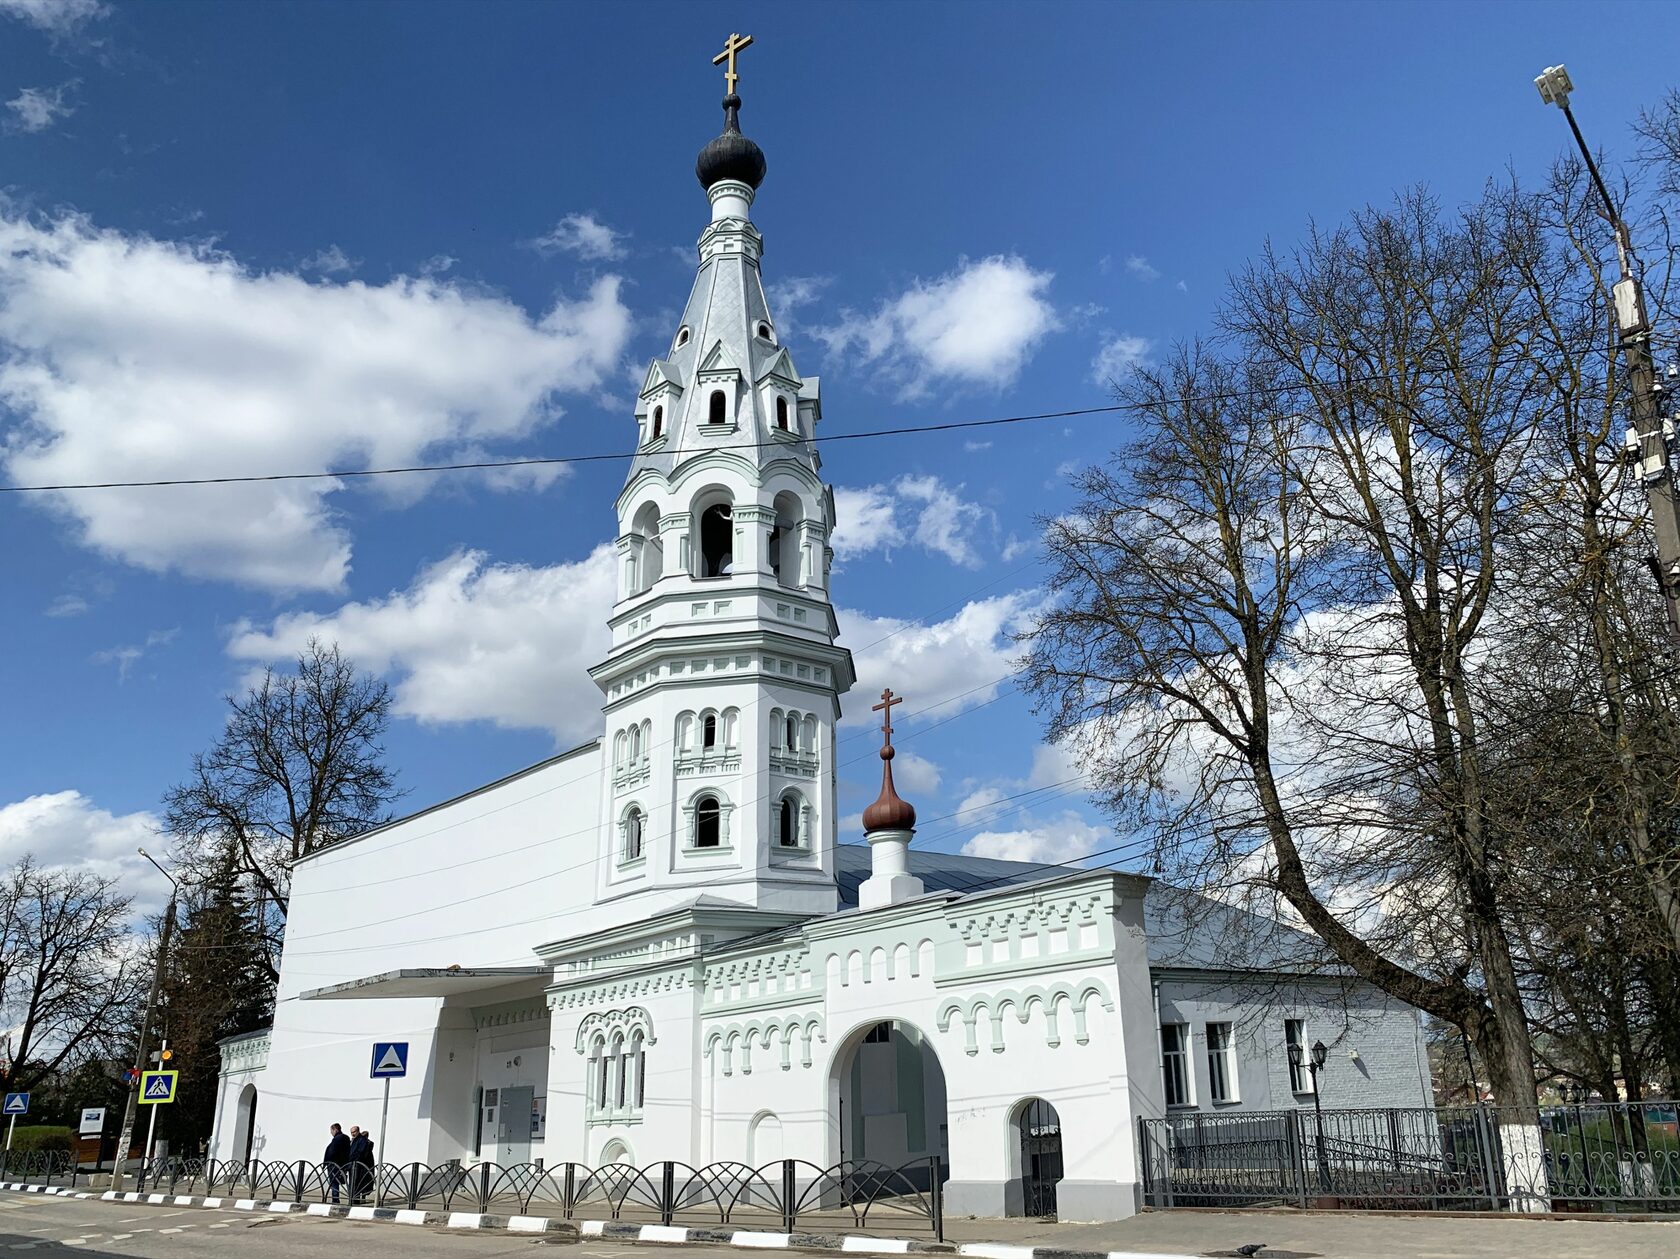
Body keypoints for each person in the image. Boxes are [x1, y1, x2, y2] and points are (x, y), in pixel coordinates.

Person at [347, 1125, 375, 1204]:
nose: (352, 1134)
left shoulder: (362, 1140)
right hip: (353, 1165)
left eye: (354, 1132)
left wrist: (352, 1159)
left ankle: (355, 1200)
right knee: (353, 1183)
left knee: (356, 1183)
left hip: (358, 1166)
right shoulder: (353, 1140)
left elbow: (360, 1153)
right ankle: (353, 1199)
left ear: (358, 1131)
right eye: (351, 1132)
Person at [323, 1123, 351, 1204]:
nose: (331, 1133)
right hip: (343, 1163)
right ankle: (348, 1198)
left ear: (335, 1130)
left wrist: (327, 1162)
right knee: (339, 1180)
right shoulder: (346, 1138)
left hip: (334, 1164)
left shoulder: (336, 1139)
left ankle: (335, 1199)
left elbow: (332, 1152)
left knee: (334, 1182)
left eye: (331, 1130)